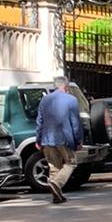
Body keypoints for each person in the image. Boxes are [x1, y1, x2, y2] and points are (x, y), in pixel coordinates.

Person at [34, 75, 84, 204]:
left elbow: (39, 121)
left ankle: (57, 196)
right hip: (65, 138)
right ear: (66, 87)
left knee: (54, 167)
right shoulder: (71, 100)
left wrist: (38, 139)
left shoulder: (44, 100)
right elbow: (75, 123)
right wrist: (78, 140)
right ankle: (57, 183)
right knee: (71, 163)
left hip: (47, 139)